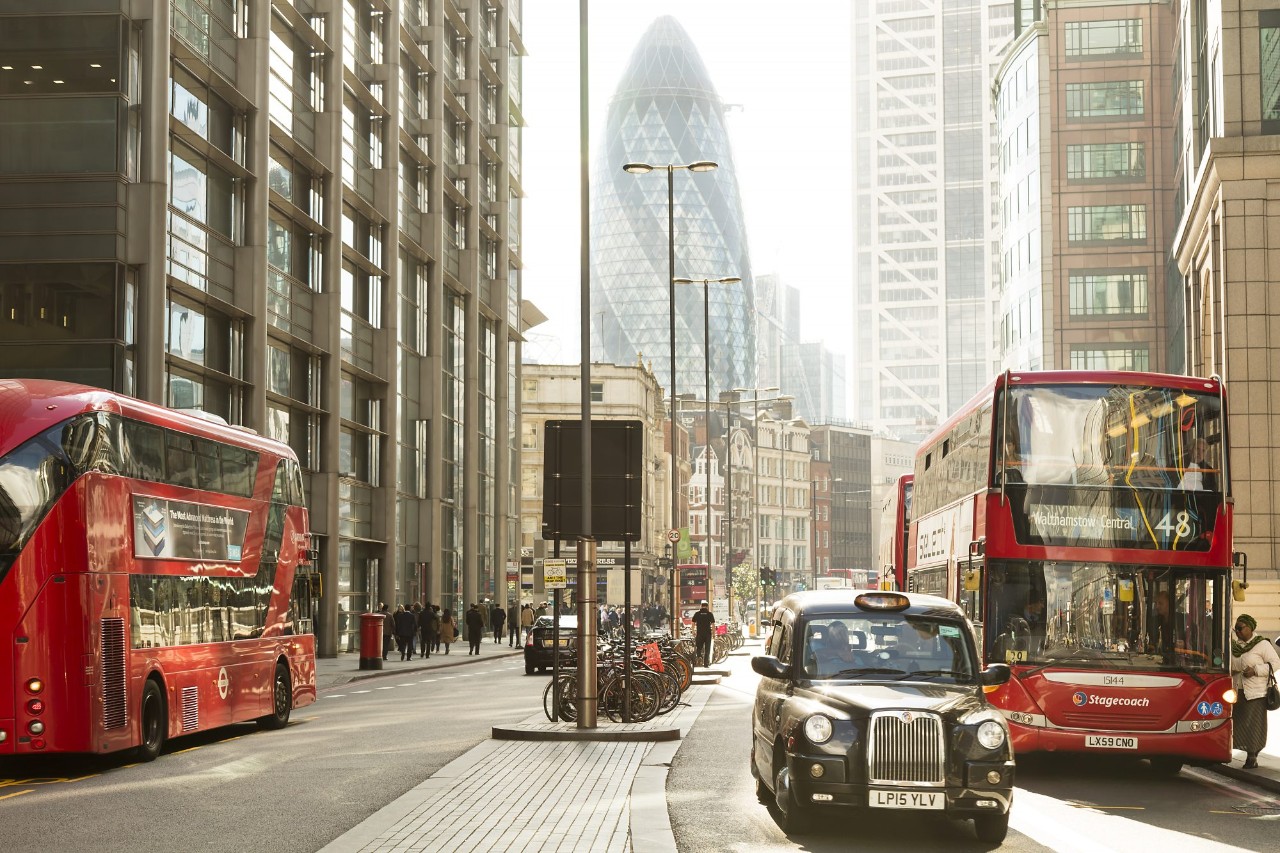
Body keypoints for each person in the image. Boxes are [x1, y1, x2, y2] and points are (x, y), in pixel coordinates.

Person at [1230, 614, 1280, 769]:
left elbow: (1275, 663)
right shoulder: (1234, 646)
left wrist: (1256, 670)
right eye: (1235, 629)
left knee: (1254, 726)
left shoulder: (1262, 644)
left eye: (1240, 628)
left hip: (1256, 693)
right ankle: (1234, 751)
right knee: (1238, 724)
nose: (1237, 631)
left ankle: (1252, 756)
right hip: (1237, 691)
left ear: (1250, 628)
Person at [692, 600, 716, 667]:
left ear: (701, 606)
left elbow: (693, 622)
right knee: (707, 649)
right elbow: (713, 624)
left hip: (699, 633)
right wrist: (714, 634)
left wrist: (693, 631)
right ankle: (706, 664)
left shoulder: (697, 614)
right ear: (707, 607)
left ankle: (699, 656)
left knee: (699, 647)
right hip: (708, 634)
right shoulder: (710, 614)